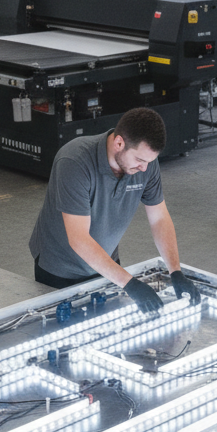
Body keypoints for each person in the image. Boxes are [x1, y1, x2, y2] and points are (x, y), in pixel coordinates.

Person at [28, 107, 200, 313]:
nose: (144, 169)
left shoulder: (145, 165)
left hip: (107, 262)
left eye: (149, 161)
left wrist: (175, 271)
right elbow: (79, 239)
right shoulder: (74, 162)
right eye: (140, 160)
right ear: (119, 143)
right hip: (61, 269)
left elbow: (159, 219)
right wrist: (130, 284)